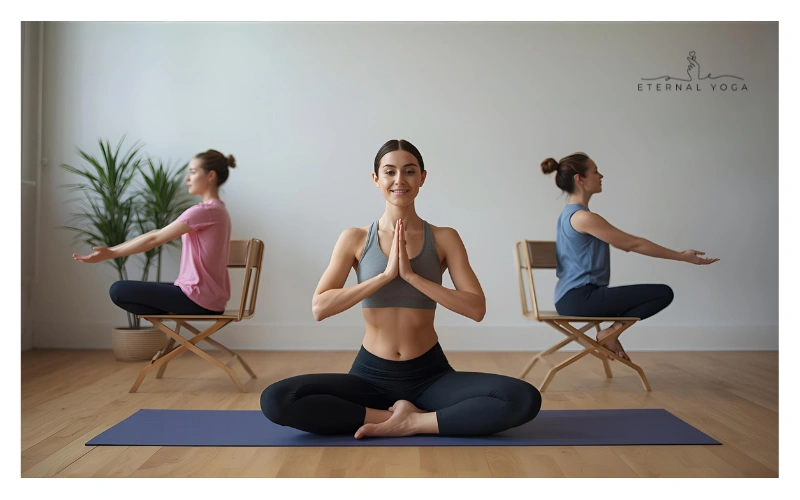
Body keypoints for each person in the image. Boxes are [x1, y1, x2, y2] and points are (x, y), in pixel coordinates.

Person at [261, 139, 541, 438]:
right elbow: (320, 307)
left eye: (409, 171)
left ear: (422, 177)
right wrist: (383, 276)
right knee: (277, 399)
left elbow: (476, 308)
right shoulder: (354, 238)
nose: (399, 180)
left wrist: (412, 276)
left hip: (431, 376)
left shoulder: (445, 238)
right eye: (389, 172)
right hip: (369, 376)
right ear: (376, 179)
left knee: (523, 398)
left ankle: (414, 422)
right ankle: (392, 416)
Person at [541, 152, 719, 362]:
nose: (601, 176)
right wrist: (681, 256)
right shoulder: (583, 218)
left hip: (570, 298)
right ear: (580, 179)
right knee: (662, 293)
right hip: (580, 299)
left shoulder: (569, 214)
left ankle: (612, 331)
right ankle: (611, 332)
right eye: (595, 171)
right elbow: (632, 244)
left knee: (654, 294)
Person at [73, 149, 236, 317]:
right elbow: (156, 233)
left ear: (211, 176)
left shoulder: (205, 211)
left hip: (198, 299)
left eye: (193, 172)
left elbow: (154, 239)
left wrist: (111, 253)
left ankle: (170, 328)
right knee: (128, 291)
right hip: (208, 299)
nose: (187, 178)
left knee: (119, 290)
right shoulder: (219, 211)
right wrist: (111, 250)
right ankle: (172, 328)